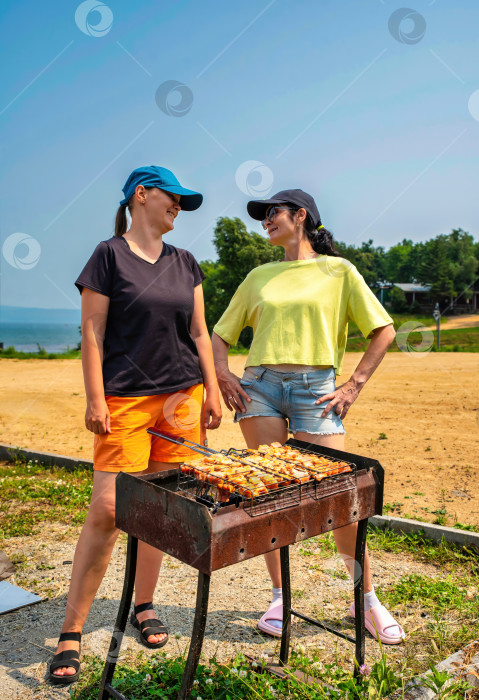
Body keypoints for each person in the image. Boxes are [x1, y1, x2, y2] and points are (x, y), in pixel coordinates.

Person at [48, 166, 222, 684]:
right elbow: (93, 332)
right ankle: (71, 631)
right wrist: (95, 399)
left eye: (185, 203)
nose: (180, 208)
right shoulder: (108, 255)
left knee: (165, 510)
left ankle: (143, 604)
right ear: (140, 196)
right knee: (106, 509)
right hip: (125, 401)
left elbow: (198, 331)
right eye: (174, 198)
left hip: (182, 400)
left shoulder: (185, 261)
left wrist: (211, 389)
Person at [212, 189, 404, 645]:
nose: (265, 222)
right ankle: (281, 597)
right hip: (258, 388)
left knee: (338, 499)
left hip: (317, 390)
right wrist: (222, 375)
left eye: (272, 213)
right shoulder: (259, 274)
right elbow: (220, 334)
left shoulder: (339, 271)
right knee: (270, 498)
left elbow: (384, 330)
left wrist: (353, 383)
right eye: (263, 217)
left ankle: (367, 599)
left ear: (301, 216)